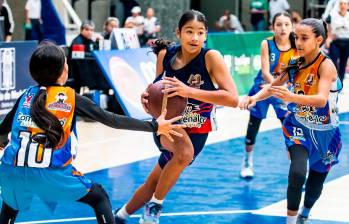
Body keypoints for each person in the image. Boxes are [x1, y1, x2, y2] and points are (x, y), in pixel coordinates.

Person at [0, 42, 184, 224]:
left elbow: (2, 132)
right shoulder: (71, 98)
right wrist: (154, 126)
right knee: (99, 198)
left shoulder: (26, 96)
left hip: (10, 170)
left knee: (10, 205)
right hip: (51, 174)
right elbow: (112, 120)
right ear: (63, 71)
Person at [114, 10, 239, 224]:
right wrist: (147, 101)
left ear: (206, 35)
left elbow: (232, 99)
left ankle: (121, 216)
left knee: (155, 180)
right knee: (184, 152)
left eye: (200, 32)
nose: (195, 37)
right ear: (178, 32)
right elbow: (154, 90)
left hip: (198, 129)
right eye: (189, 31)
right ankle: (153, 210)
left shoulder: (211, 58)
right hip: (167, 125)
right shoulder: (165, 55)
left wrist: (188, 91)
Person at [240, 18, 342, 224]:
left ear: (319, 40)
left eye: (304, 38)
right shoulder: (295, 63)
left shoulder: (327, 66)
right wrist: (254, 98)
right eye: (296, 37)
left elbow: (321, 99)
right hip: (299, 126)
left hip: (326, 133)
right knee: (297, 172)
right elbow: (273, 86)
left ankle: (305, 212)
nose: (299, 42)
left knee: (314, 186)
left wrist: (291, 97)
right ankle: (290, 221)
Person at [240, 12, 297, 178]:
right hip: (263, 87)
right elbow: (265, 72)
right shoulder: (267, 43)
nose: (283, 28)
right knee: (253, 126)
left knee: (289, 129)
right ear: (272, 27)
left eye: (287, 24)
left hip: (283, 91)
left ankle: (294, 169)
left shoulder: (296, 45)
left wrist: (285, 89)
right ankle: (247, 161)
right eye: (279, 24)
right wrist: (275, 86)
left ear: (292, 26)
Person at [327, 0, 349, 85]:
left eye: (345, 4)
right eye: (341, 3)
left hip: (347, 41)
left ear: (348, 6)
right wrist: (328, 38)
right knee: (333, 62)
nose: (343, 5)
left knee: (343, 63)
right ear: (338, 5)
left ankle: (340, 83)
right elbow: (328, 27)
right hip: (335, 42)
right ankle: (333, 82)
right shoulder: (332, 15)